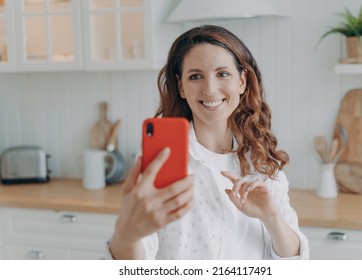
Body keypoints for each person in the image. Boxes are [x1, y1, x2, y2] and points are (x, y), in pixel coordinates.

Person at [107, 25, 309, 260]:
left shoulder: (261, 160)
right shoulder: (161, 160)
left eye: (222, 74)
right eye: (195, 76)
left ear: (242, 81)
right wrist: (126, 235)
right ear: (181, 87)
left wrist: (271, 216)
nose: (210, 89)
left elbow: (295, 263)